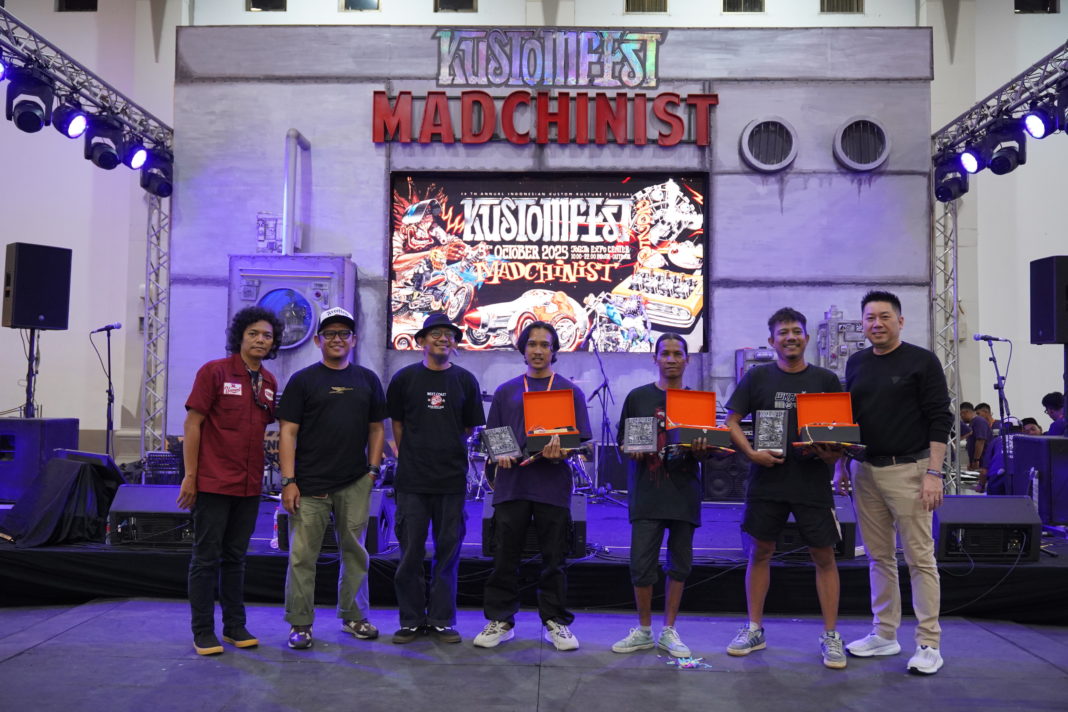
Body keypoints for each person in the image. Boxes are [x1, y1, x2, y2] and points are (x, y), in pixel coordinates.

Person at [833, 290, 952, 676]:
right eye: (870, 318)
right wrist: (841, 466)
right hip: (864, 471)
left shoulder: (922, 361)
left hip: (911, 471)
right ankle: (885, 633)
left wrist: (934, 473)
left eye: (885, 317)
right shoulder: (856, 363)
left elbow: (940, 418)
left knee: (920, 558)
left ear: (900, 321)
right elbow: (848, 420)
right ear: (862, 324)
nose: (877, 324)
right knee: (878, 557)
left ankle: (929, 643)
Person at [724, 308, 847, 669]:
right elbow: (731, 421)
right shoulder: (757, 377)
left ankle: (831, 635)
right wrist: (751, 453)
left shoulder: (826, 379)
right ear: (771, 340)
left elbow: (839, 431)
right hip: (767, 481)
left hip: (812, 482)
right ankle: (754, 628)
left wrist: (835, 457)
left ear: (806, 337)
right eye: (783, 332)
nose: (790, 337)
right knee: (760, 552)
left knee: (824, 556)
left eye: (796, 331)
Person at [473, 321, 591, 652]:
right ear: (523, 349)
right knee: (504, 558)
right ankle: (502, 620)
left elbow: (584, 442)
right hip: (512, 485)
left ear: (554, 351)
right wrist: (500, 453)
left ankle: (555, 621)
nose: (538, 350)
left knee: (554, 559)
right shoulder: (506, 391)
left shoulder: (570, 391)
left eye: (545, 345)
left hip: (552, 486)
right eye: (532, 344)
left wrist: (565, 450)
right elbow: (493, 438)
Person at [277, 307, 386, 650]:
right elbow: (287, 433)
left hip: (354, 482)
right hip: (308, 485)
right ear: (317, 340)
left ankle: (354, 616)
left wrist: (371, 471)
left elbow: (377, 429)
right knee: (302, 557)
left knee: (355, 553)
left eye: (344, 334)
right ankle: (300, 623)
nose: (337, 339)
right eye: (330, 334)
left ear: (354, 340)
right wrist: (288, 481)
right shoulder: (303, 381)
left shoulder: (368, 379)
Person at [178, 306, 283, 656]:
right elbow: (193, 424)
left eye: (267, 335)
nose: (260, 340)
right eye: (253, 333)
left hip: (249, 486)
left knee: (236, 558)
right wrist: (190, 476)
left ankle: (235, 626)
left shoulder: (269, 383)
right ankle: (203, 631)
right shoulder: (214, 372)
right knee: (206, 558)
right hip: (212, 482)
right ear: (240, 336)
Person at [386, 312, 485, 644]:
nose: (444, 339)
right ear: (421, 341)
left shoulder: (465, 381)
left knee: (448, 554)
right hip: (412, 482)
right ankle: (412, 620)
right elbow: (397, 424)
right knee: (410, 554)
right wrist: (411, 455)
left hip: (451, 481)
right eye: (436, 334)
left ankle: (442, 620)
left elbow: (469, 428)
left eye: (449, 335)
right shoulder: (404, 379)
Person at [610, 333, 707, 659]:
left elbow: (709, 449)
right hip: (647, 495)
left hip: (684, 495)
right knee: (641, 566)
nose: (671, 359)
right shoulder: (638, 397)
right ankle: (643, 630)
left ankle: (669, 630)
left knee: (679, 566)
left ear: (687, 359)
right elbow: (623, 442)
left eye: (677, 353)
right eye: (665, 353)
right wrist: (632, 449)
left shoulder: (697, 401)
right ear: (655, 358)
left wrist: (703, 449)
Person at [960, 402, 991, 482]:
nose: (961, 417)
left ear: (965, 412)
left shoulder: (978, 421)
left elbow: (980, 441)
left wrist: (976, 460)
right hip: (977, 462)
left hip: (982, 463)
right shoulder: (973, 422)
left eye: (961, 414)